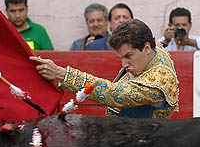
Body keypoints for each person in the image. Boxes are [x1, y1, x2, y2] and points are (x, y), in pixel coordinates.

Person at [32, 18, 179, 118]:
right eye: (121, 57)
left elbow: (113, 93)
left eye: (128, 55)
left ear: (146, 48)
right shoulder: (154, 51)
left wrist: (62, 74)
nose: (124, 64)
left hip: (143, 145)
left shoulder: (159, 81)